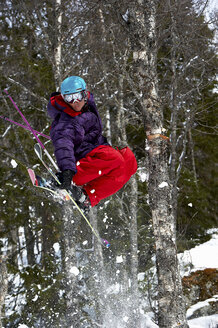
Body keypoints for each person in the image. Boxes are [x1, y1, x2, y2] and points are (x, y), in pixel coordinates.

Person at [47, 76, 137, 211]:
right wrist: (67, 170)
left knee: (129, 161)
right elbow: (63, 144)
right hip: (79, 157)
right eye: (69, 98)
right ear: (64, 99)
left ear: (84, 94)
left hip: (94, 149)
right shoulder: (66, 122)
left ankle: (87, 196)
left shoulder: (87, 105)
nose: (75, 102)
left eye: (78, 96)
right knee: (114, 158)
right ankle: (70, 179)